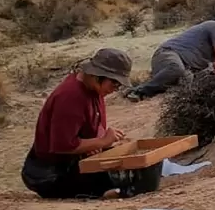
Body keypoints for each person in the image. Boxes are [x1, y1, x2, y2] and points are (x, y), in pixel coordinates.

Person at [21, 48, 161, 199]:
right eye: (114, 83)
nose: (115, 89)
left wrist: (99, 142)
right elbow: (63, 146)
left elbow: (94, 126)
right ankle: (113, 194)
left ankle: (115, 191)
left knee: (150, 164)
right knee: (138, 177)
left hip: (76, 162)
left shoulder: (94, 90)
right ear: (97, 76)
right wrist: (102, 141)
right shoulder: (70, 97)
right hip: (52, 174)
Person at [125, 15, 215, 101]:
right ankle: (138, 91)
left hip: (179, 65)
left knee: (188, 82)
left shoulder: (210, 50)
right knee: (176, 68)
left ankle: (153, 87)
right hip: (167, 53)